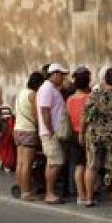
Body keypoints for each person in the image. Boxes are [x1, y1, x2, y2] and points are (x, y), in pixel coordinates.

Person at [81, 67, 112, 207]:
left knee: (91, 165)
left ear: (106, 78)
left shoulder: (94, 94)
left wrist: (81, 132)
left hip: (95, 132)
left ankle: (89, 198)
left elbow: (85, 115)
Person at [37, 63, 70, 203]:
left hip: (51, 132)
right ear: (55, 74)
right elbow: (45, 110)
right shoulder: (47, 89)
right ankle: (50, 193)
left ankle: (50, 191)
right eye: (62, 75)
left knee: (52, 163)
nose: (63, 78)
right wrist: (50, 130)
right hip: (50, 133)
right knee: (56, 163)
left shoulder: (51, 88)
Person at [11, 72, 45, 200]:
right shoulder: (33, 95)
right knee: (27, 164)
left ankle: (20, 188)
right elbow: (37, 116)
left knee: (19, 163)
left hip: (18, 129)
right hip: (28, 130)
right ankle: (26, 192)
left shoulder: (21, 93)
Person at [67, 68, 92, 204]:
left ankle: (80, 195)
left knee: (78, 165)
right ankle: (89, 195)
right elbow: (87, 118)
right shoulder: (89, 98)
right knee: (89, 165)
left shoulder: (70, 99)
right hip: (87, 133)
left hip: (73, 134)